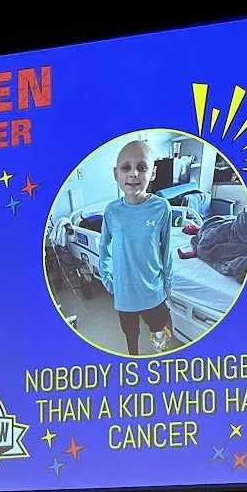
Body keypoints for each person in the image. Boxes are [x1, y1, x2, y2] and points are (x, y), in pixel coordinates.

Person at [98, 139, 174, 355]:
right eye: (126, 168)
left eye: (142, 167)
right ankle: (134, 359)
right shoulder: (112, 212)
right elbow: (104, 248)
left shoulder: (162, 207)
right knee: (130, 335)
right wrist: (107, 279)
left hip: (153, 290)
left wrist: (168, 282)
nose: (134, 174)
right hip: (124, 293)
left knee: (158, 328)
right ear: (116, 174)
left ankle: (160, 352)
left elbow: (166, 249)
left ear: (153, 173)